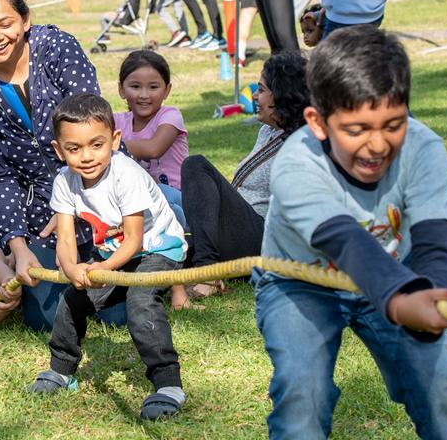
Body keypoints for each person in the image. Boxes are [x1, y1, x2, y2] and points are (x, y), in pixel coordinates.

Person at [257, 26, 447, 439]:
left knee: (442, 391)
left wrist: (430, 295)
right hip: (299, 282)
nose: (377, 145)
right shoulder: (295, 165)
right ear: (318, 122)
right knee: (302, 392)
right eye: (357, 130)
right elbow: (346, 242)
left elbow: (435, 242)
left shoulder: (423, 147)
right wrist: (403, 302)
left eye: (393, 124)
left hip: (397, 274)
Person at [0, 0, 120, 331]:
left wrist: (71, 202)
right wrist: (18, 247)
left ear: (25, 19)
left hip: (98, 201)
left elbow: (89, 131)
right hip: (39, 223)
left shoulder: (58, 48)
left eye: (5, 24)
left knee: (118, 315)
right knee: (43, 321)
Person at [25, 94, 187, 422]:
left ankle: (168, 384)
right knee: (73, 300)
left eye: (96, 145)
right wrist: (72, 269)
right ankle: (61, 371)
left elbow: (135, 239)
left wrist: (102, 267)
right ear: (59, 150)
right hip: (115, 254)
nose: (86, 156)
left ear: (114, 141)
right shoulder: (64, 183)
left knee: (141, 304)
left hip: (157, 248)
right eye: (74, 148)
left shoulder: (125, 175)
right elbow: (66, 240)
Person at [179, 52, 309, 300]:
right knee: (171, 250)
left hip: (261, 240)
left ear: (282, 95)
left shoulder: (303, 146)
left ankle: (207, 271)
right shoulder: (268, 131)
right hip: (239, 230)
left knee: (196, 165)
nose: (255, 97)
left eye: (261, 90)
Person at [112, 50, 191, 309]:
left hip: (177, 200)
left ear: (167, 89)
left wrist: (108, 145)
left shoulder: (170, 116)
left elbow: (155, 148)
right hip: (139, 204)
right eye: (135, 86)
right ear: (121, 89)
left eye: (153, 87)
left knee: (168, 204)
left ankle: (176, 273)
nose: (144, 95)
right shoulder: (117, 121)